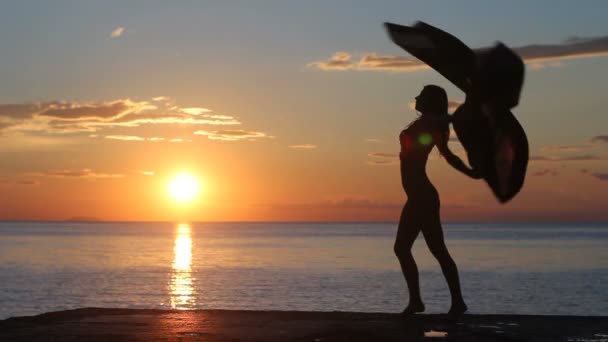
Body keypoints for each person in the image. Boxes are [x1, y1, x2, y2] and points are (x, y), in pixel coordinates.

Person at [395, 85, 480, 315]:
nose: (415, 97)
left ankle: (448, 302)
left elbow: (450, 155)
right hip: (417, 197)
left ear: (430, 101)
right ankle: (423, 302)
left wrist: (471, 172)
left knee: (429, 249)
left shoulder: (434, 122)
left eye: (420, 95)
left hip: (422, 197)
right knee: (409, 249)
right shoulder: (425, 123)